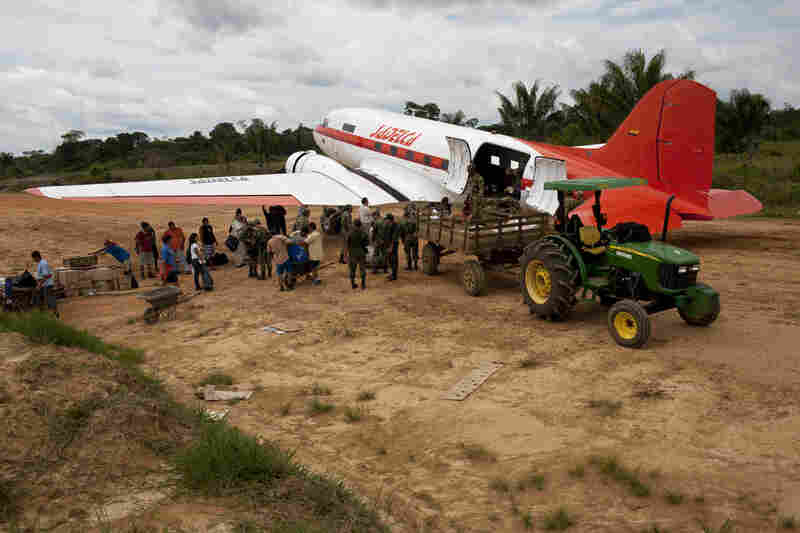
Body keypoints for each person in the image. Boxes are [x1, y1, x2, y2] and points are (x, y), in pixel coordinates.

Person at [31, 251, 57, 317]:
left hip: (47, 284)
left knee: (49, 300)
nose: (33, 260)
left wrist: (39, 285)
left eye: (34, 258)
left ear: (36, 257)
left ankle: (54, 313)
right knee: (47, 299)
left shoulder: (43, 263)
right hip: (44, 284)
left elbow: (46, 276)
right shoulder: (40, 263)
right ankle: (52, 313)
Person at [347, 219, 369, 290]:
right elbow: (367, 243)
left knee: (352, 269)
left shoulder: (350, 233)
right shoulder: (364, 233)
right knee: (362, 268)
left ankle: (353, 284)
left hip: (352, 253)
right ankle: (363, 284)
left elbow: (347, 243)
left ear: (354, 225)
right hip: (361, 252)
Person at [383, 213, 401, 281]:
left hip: (393, 245)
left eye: (386, 219)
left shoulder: (395, 225)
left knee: (394, 260)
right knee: (390, 260)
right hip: (389, 244)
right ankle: (392, 274)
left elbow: (394, 238)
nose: (385, 221)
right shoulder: (389, 224)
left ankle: (394, 275)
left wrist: (391, 247)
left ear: (389, 219)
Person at [371, 210, 387, 274]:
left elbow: (374, 232)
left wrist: (373, 240)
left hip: (378, 241)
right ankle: (385, 269)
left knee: (375, 255)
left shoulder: (376, 222)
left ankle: (375, 269)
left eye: (373, 216)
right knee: (384, 254)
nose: (373, 218)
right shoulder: (384, 221)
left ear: (376, 215)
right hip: (385, 240)